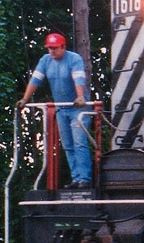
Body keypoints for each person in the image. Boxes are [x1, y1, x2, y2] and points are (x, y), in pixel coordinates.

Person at [17, 32, 93, 188]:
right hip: (61, 109)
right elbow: (35, 80)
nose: (51, 51)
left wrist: (80, 97)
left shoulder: (74, 59)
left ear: (63, 47)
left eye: (55, 48)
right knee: (68, 144)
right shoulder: (45, 61)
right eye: (49, 48)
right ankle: (76, 178)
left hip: (78, 108)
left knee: (79, 142)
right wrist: (25, 99)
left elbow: (78, 78)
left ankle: (85, 178)